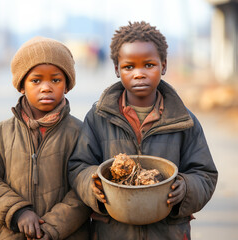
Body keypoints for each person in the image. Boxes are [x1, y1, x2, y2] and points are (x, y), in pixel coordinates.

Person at [68, 21, 218, 240]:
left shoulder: (184, 120)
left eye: (149, 65)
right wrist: (92, 186)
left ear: (163, 65)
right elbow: (78, 166)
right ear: (117, 69)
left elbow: (205, 174)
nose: (139, 73)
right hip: (113, 231)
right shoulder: (99, 117)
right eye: (129, 67)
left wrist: (185, 188)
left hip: (168, 231)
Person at [0, 36, 90, 240]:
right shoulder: (2, 133)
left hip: (65, 234)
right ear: (21, 85)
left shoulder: (80, 133)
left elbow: (83, 191)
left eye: (56, 79)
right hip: (11, 233)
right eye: (36, 80)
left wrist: (52, 227)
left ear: (67, 85)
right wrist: (18, 212)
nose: (46, 87)